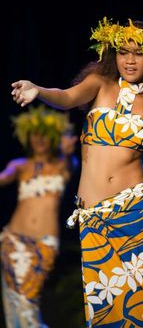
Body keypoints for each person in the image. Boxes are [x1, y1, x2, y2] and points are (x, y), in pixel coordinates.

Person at [11, 17, 143, 327]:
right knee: (108, 306)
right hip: (94, 216)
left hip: (137, 212)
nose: (130, 60)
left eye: (139, 53)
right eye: (123, 52)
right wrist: (37, 90)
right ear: (112, 54)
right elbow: (66, 97)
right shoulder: (99, 83)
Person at [0, 104, 78, 328]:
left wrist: (65, 149)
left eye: (45, 135)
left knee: (28, 300)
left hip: (44, 243)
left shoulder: (63, 164)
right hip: (13, 240)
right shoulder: (20, 166)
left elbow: (69, 162)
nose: (40, 140)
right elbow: (3, 177)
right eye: (35, 135)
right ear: (28, 137)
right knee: (17, 303)